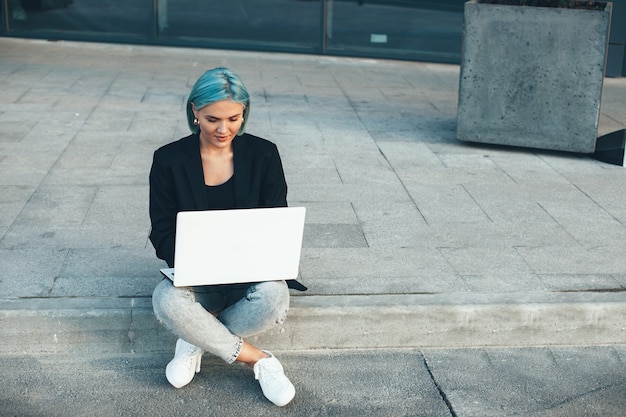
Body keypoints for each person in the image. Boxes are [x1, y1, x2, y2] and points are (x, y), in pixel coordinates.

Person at [148, 67, 305, 407]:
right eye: (212, 119)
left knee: (274, 297)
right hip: (196, 275)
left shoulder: (264, 154)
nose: (223, 129)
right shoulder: (168, 160)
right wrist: (191, 258)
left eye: (233, 118)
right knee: (165, 299)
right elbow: (160, 229)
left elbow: (275, 219)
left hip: (248, 272)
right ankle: (261, 360)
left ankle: (196, 337)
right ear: (194, 112)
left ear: (244, 112)